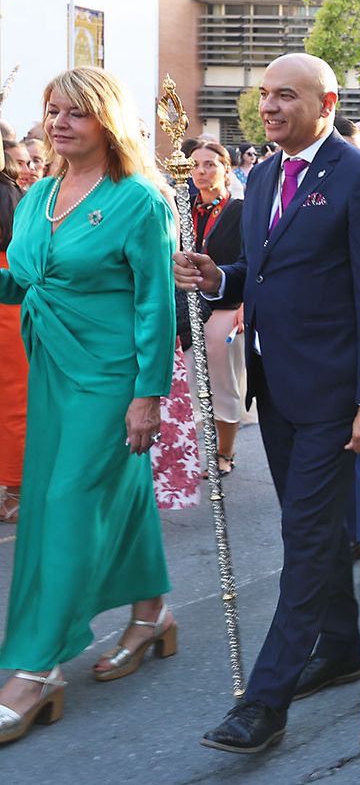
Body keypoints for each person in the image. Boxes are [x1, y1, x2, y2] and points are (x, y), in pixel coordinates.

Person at [176, 53, 360, 755]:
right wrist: (221, 275)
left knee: (304, 538)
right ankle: (337, 645)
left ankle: (265, 701)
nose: (269, 106)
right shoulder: (267, 174)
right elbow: (266, 269)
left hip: (338, 394)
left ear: (326, 101)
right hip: (275, 387)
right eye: (264, 95)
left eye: (285, 95)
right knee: (314, 526)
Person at [0, 67, 180, 744]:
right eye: (51, 111)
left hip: (111, 377)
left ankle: (37, 667)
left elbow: (155, 303)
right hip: (51, 366)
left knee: (65, 506)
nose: (59, 123)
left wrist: (148, 395)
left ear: (106, 119)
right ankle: (152, 613)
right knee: (112, 497)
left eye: (75, 112)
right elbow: (24, 279)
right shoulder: (36, 195)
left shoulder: (139, 200)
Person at [185, 141, 246, 476]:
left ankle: (224, 452)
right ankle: (196, 449)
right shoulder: (183, 207)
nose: (201, 171)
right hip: (187, 309)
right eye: (195, 165)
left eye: (210, 164)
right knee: (189, 383)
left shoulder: (239, 210)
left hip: (225, 308)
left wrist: (246, 306)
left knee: (223, 383)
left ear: (226, 168)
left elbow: (253, 261)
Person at [0, 146, 27, 522]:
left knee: (14, 396)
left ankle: (17, 490)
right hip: (15, 291)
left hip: (11, 289)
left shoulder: (15, 194)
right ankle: (16, 489)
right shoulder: (18, 192)